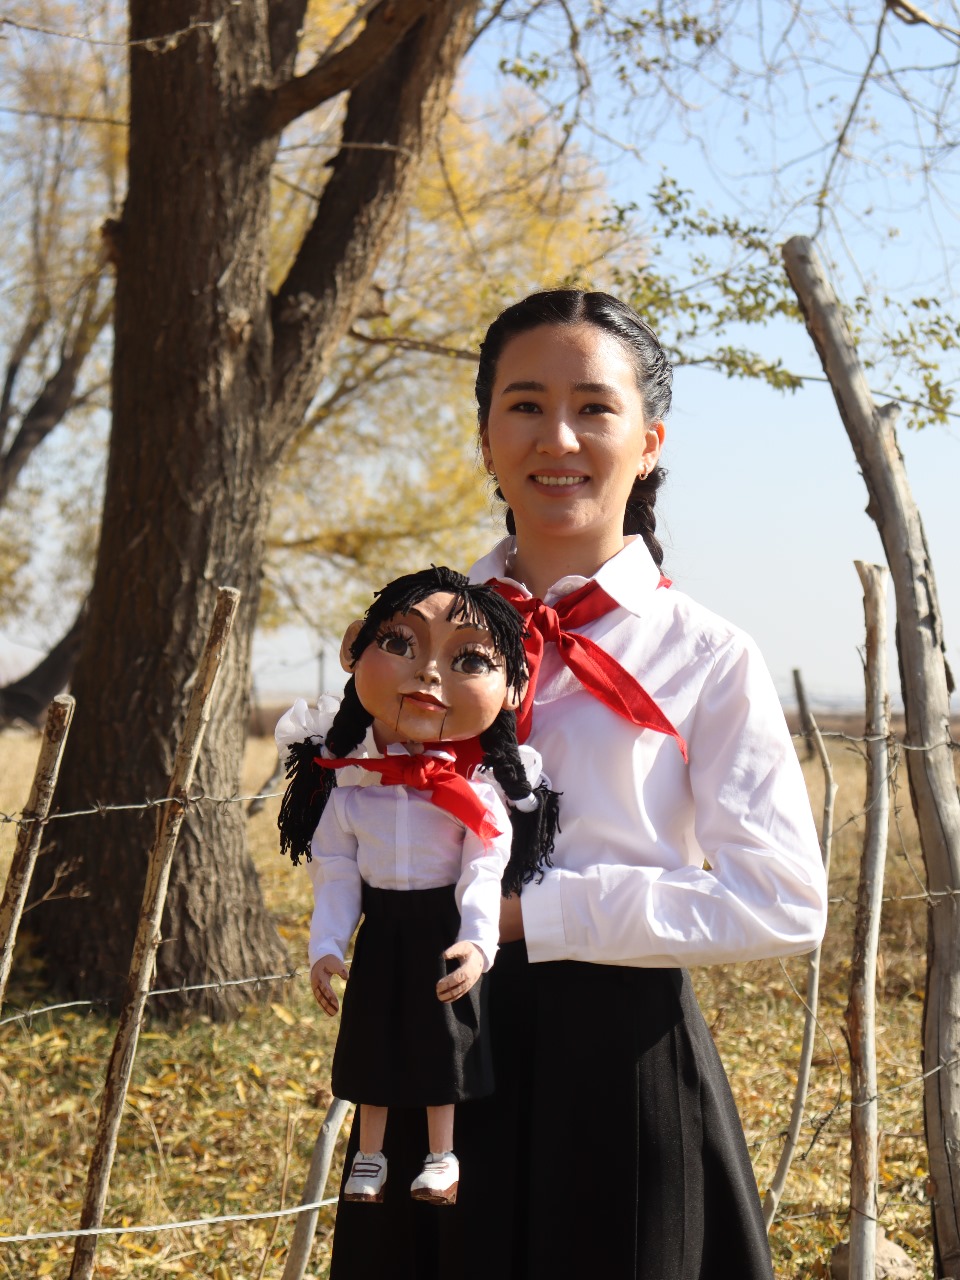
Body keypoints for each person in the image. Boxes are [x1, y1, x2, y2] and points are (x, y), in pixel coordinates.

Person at [330, 290, 828, 1280]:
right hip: (433, 1042)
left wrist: (534, 917)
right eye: (524, 404)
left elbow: (783, 901)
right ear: (485, 439)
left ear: (648, 442)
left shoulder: (707, 655)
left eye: (594, 407)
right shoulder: (411, 636)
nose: (557, 437)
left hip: (620, 1062)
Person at [276, 567, 557, 1209]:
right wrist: (327, 944)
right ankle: (369, 1156)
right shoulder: (353, 791)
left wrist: (479, 942)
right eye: (399, 643)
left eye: (469, 660)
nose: (428, 674)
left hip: (442, 930)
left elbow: (484, 871)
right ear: (354, 650)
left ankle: (441, 1157)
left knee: (443, 1041)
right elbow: (336, 872)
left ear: (512, 688)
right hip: (380, 931)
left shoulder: (475, 795)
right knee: (370, 1037)